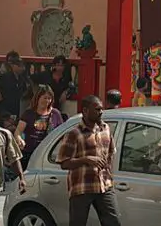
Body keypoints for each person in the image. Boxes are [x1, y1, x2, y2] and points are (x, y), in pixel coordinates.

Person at [54, 95, 120, 226]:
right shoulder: (74, 134)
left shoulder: (105, 129)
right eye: (97, 109)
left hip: (104, 185)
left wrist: (109, 175)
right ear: (85, 111)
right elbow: (64, 163)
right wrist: (86, 160)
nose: (100, 112)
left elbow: (111, 153)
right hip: (82, 186)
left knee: (113, 222)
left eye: (101, 109)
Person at [16, 85, 64, 168]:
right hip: (29, 154)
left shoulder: (55, 114)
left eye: (49, 98)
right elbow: (18, 131)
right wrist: (19, 139)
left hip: (47, 155)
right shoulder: (28, 113)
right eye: (44, 98)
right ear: (38, 98)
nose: (47, 101)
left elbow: (62, 133)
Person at [0, 52, 32, 118]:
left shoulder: (22, 79)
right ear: (13, 66)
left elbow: (24, 93)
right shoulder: (5, 77)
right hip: (7, 107)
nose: (22, 69)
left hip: (18, 108)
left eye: (23, 66)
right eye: (20, 66)